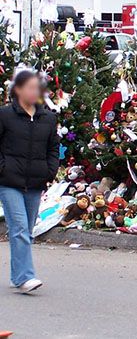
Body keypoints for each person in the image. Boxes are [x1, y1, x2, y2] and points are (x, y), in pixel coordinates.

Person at [0, 69, 59, 294]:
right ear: (18, 90)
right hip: (9, 182)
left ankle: (18, 274)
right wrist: (3, 169)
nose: (35, 92)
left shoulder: (48, 118)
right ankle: (25, 277)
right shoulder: (5, 115)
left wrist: (49, 171)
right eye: (30, 88)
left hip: (35, 182)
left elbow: (53, 148)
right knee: (19, 228)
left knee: (27, 230)